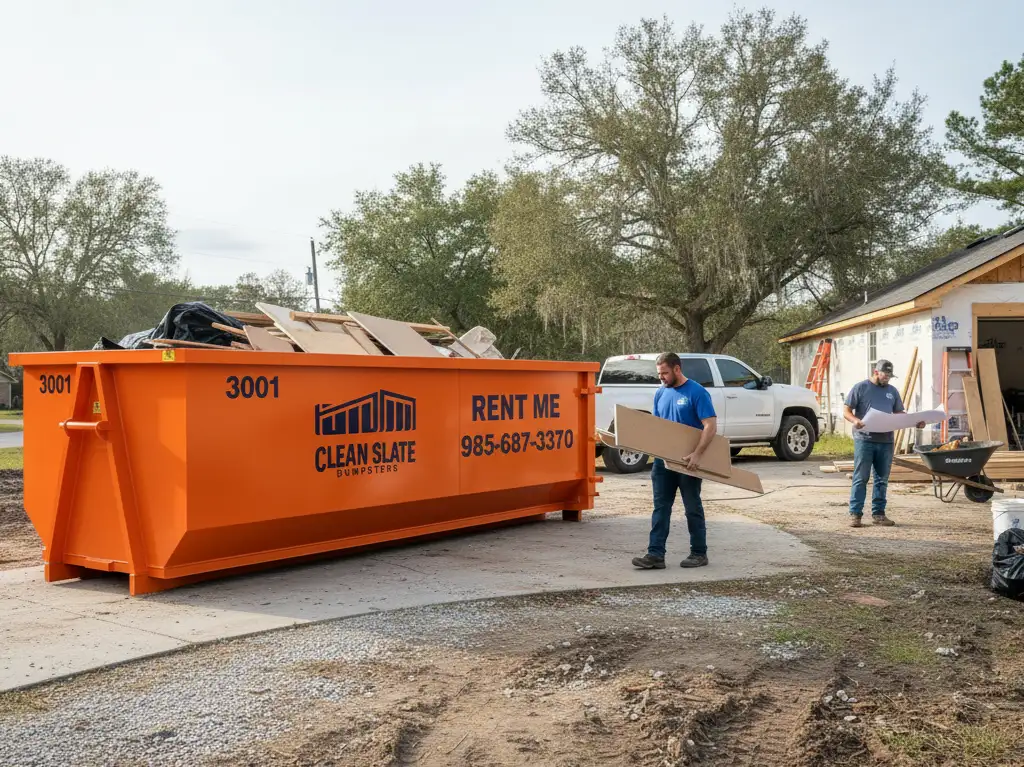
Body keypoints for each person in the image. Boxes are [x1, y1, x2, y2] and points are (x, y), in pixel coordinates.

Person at [632, 352, 718, 570]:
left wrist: (697, 454)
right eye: (659, 374)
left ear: (677, 369)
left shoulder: (697, 392)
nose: (661, 377)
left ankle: (699, 553)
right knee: (661, 507)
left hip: (688, 462)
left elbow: (710, 425)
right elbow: (659, 426)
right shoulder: (661, 393)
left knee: (692, 507)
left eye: (665, 373)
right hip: (663, 462)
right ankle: (655, 555)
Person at [843, 359, 925, 528]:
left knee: (882, 479)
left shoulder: (892, 391)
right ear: (875, 372)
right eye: (884, 375)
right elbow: (846, 410)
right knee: (861, 477)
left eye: (889, 376)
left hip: (886, 441)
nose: (887, 378)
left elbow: (899, 413)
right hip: (865, 440)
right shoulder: (861, 388)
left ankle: (879, 514)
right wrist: (856, 421)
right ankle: (855, 514)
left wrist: (915, 421)